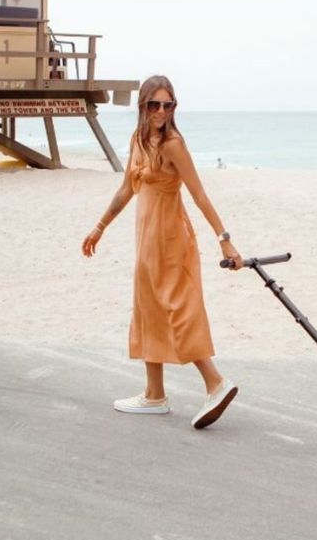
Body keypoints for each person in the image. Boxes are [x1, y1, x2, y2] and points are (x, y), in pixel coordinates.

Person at [82, 75, 243, 429]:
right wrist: (100, 226)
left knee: (177, 307)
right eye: (154, 104)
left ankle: (215, 382)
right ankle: (154, 394)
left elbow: (199, 193)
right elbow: (127, 189)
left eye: (168, 105)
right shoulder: (139, 140)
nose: (161, 111)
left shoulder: (173, 144)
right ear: (142, 106)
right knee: (148, 308)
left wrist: (224, 237)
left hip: (171, 238)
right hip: (146, 239)